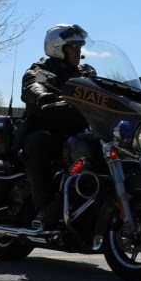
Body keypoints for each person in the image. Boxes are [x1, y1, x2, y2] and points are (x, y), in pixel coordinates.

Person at [21, 24, 93, 229]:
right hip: (46, 128)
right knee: (41, 143)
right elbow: (31, 84)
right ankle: (44, 207)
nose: (79, 50)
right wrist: (41, 95)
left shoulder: (85, 73)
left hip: (77, 130)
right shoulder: (42, 69)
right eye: (73, 46)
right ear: (57, 48)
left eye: (80, 46)